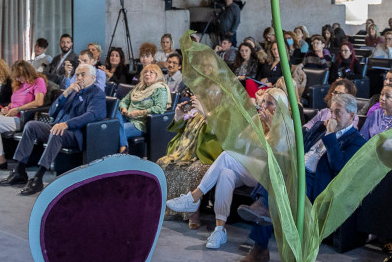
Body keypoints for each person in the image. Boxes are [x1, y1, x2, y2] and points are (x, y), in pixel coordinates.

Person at [241, 92, 367, 262]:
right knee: (277, 167)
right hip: (298, 169)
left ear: (351, 116)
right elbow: (300, 146)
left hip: (318, 182)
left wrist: (331, 136)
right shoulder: (320, 127)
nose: (333, 117)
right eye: (331, 112)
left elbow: (338, 167)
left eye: (338, 112)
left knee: (278, 192)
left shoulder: (356, 141)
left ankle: (260, 241)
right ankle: (263, 213)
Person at [165, 88, 282, 250]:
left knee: (227, 157)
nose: (264, 106)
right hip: (249, 170)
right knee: (226, 174)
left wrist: (270, 125)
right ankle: (219, 229)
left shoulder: (285, 125)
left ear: (280, 106)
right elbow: (238, 144)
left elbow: (278, 158)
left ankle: (194, 197)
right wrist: (256, 126)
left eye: (270, 103)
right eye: (263, 102)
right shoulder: (257, 120)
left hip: (269, 177)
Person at [0, 62, 108, 195]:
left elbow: (92, 115)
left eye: (83, 75)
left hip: (75, 132)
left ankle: (38, 177)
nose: (79, 77)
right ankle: (19, 171)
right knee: (31, 125)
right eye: (77, 74)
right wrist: (66, 92)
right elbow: (51, 112)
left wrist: (66, 124)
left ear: (93, 78)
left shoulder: (97, 94)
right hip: (56, 125)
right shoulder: (73, 91)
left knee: (57, 132)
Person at [158, 93, 221, 228]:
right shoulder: (194, 111)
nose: (195, 96)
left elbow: (220, 132)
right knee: (163, 163)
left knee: (193, 170)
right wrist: (178, 116)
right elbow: (180, 129)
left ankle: (193, 213)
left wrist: (205, 114)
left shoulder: (222, 110)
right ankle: (172, 209)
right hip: (184, 151)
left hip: (206, 154)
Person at [117, 63, 171, 151]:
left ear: (158, 75)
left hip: (140, 123)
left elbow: (160, 108)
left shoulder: (160, 89)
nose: (147, 74)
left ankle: (123, 149)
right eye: (145, 72)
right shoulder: (139, 87)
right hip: (127, 117)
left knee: (113, 130)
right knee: (115, 115)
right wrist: (124, 109)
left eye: (151, 72)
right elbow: (123, 101)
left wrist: (139, 113)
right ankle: (123, 147)